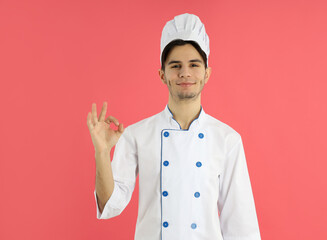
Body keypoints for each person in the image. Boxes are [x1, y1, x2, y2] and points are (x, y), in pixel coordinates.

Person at [87, 13, 261, 240]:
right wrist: (101, 152)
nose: (185, 73)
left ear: (206, 74)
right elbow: (111, 204)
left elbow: (241, 223)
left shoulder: (227, 139)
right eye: (175, 65)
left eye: (194, 65)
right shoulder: (136, 135)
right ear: (162, 74)